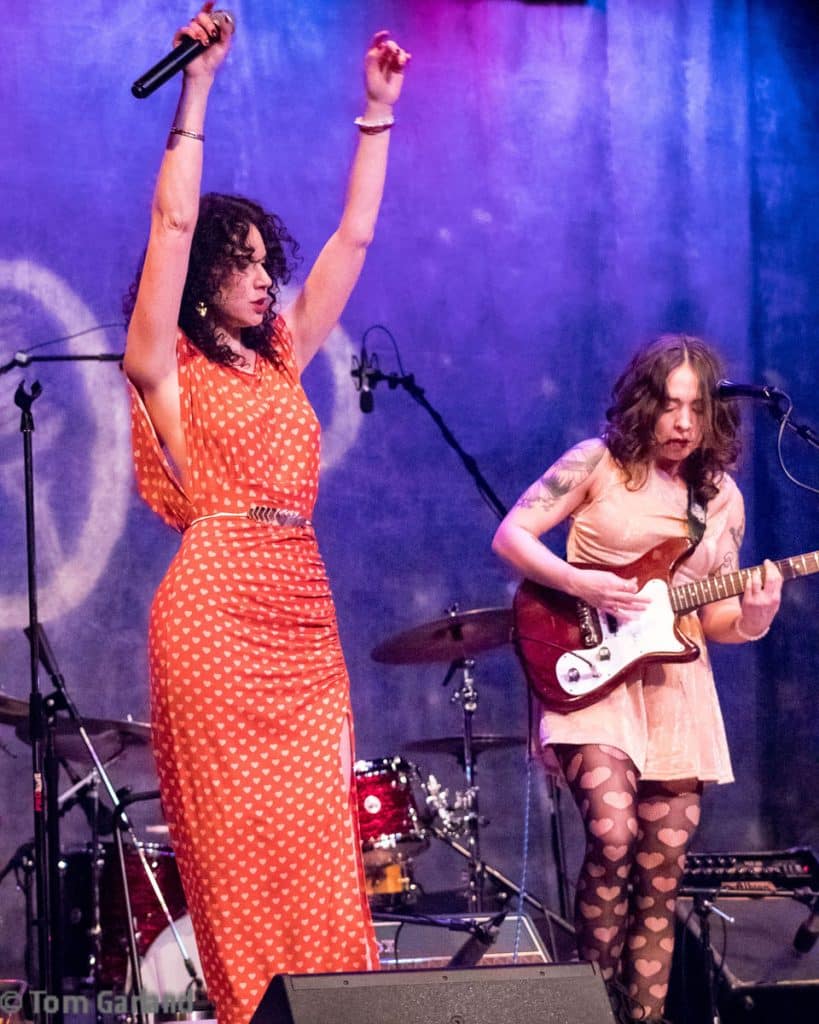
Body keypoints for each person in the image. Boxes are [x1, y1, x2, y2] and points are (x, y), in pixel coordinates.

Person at [122, 6, 409, 1023]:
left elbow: (356, 235)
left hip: (302, 618)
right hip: (214, 616)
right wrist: (198, 89)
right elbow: (167, 222)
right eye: (234, 260)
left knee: (324, 855)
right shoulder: (164, 367)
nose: (258, 275)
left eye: (260, 260)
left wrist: (377, 112)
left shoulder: (282, 353)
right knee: (239, 870)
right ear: (200, 275)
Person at [492, 335, 782, 1023]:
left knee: (659, 880)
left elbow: (715, 618)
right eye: (669, 405)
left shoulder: (718, 499)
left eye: (696, 408)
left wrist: (756, 617)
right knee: (614, 834)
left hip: (677, 689)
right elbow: (512, 536)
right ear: (643, 404)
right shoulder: (595, 463)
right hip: (592, 674)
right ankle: (587, 1007)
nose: (682, 422)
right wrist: (577, 579)